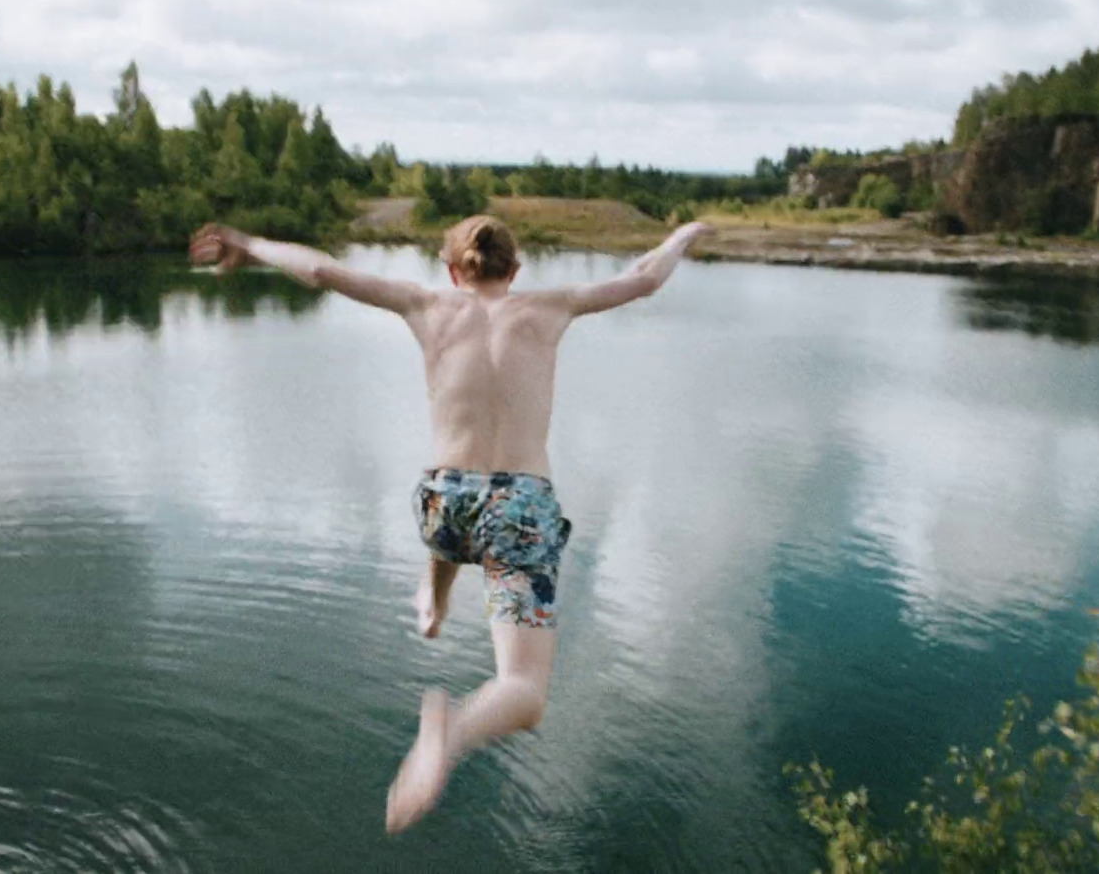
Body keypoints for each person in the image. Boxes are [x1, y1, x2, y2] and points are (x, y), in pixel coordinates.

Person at [189, 216, 713, 833]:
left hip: (443, 504)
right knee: (523, 689)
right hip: (518, 506)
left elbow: (321, 269)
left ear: (452, 269)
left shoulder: (425, 303)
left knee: (453, 527)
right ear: (514, 272)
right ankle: (450, 731)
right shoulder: (552, 305)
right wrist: (683, 234)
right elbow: (644, 278)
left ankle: (433, 601)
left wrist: (249, 244)